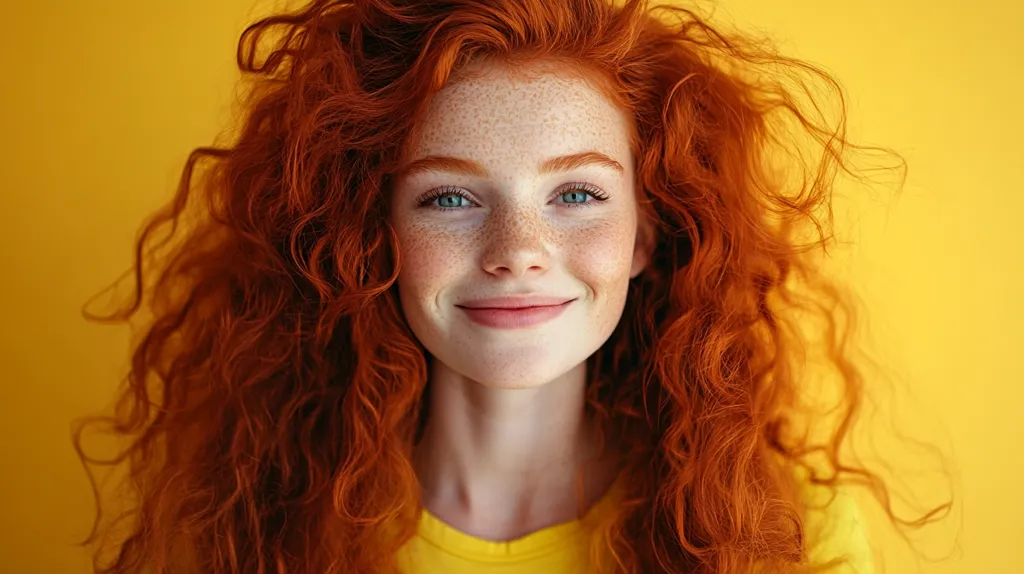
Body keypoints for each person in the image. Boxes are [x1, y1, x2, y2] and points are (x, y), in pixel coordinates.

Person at [74, 0, 948, 572]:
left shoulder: (793, 543)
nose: (517, 251)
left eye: (576, 194)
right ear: (367, 235)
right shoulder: (241, 531)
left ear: (648, 231)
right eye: (449, 196)